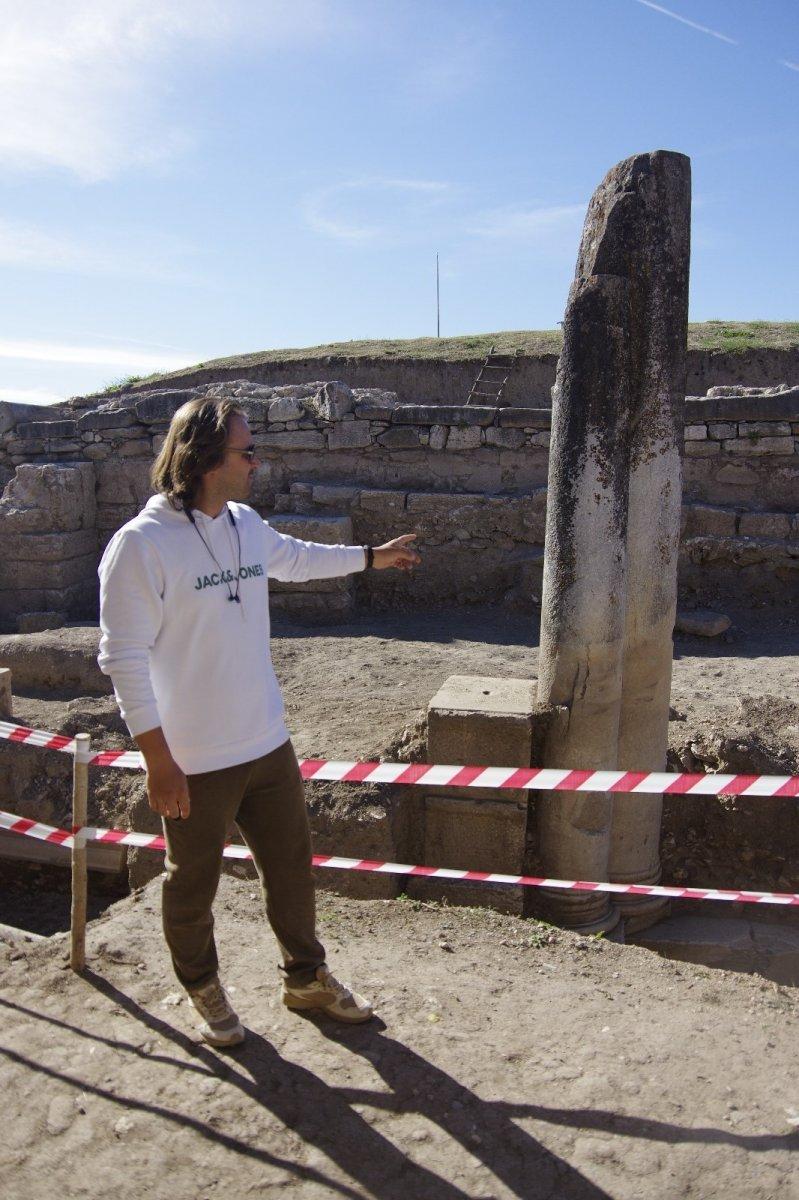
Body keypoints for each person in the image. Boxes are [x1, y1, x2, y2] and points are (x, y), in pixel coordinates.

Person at [97, 395, 420, 1047]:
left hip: (265, 740)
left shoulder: (243, 523)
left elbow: (297, 558)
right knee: (193, 883)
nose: (257, 461)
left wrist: (371, 556)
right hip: (193, 756)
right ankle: (201, 985)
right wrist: (158, 759)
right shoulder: (140, 545)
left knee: (291, 867)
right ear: (209, 458)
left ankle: (306, 978)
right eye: (248, 451)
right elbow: (122, 658)